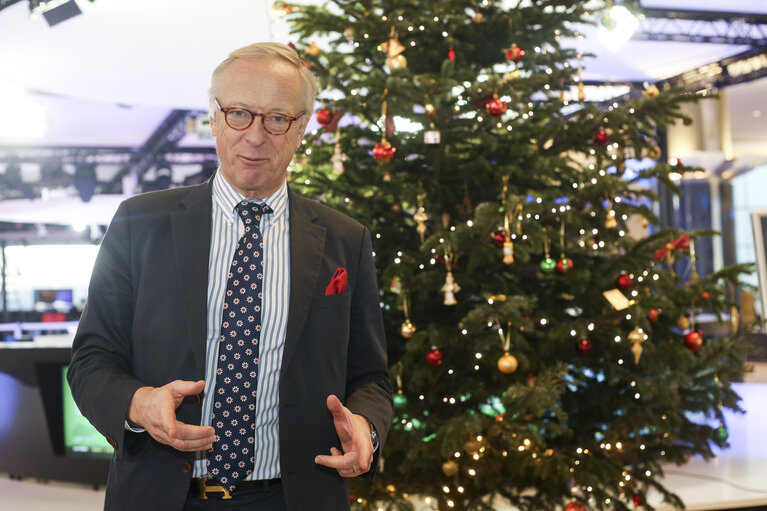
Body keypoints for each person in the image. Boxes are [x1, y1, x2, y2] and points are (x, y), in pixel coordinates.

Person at [67, 42, 393, 511]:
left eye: (277, 119)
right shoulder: (140, 224)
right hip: (161, 496)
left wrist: (367, 425)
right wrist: (138, 404)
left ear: (301, 128)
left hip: (294, 497)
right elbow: (91, 360)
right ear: (215, 117)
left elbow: (371, 378)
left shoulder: (346, 239)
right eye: (239, 113)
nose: (255, 137)